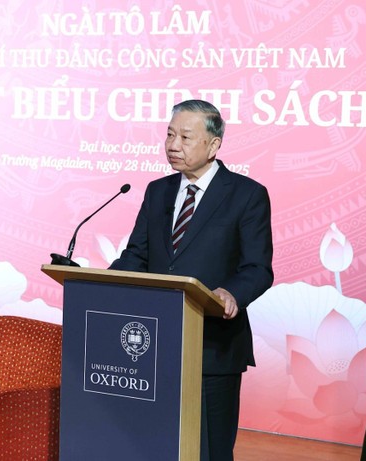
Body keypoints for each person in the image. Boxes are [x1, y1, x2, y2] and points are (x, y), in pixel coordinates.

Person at [109, 99, 274, 461]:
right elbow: (137, 256)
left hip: (212, 345)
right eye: (169, 134)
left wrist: (231, 292)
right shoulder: (159, 191)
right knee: (154, 443)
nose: (172, 145)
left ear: (214, 145)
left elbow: (258, 268)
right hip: (153, 344)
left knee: (210, 449)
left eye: (185, 137)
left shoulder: (246, 195)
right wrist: (103, 284)